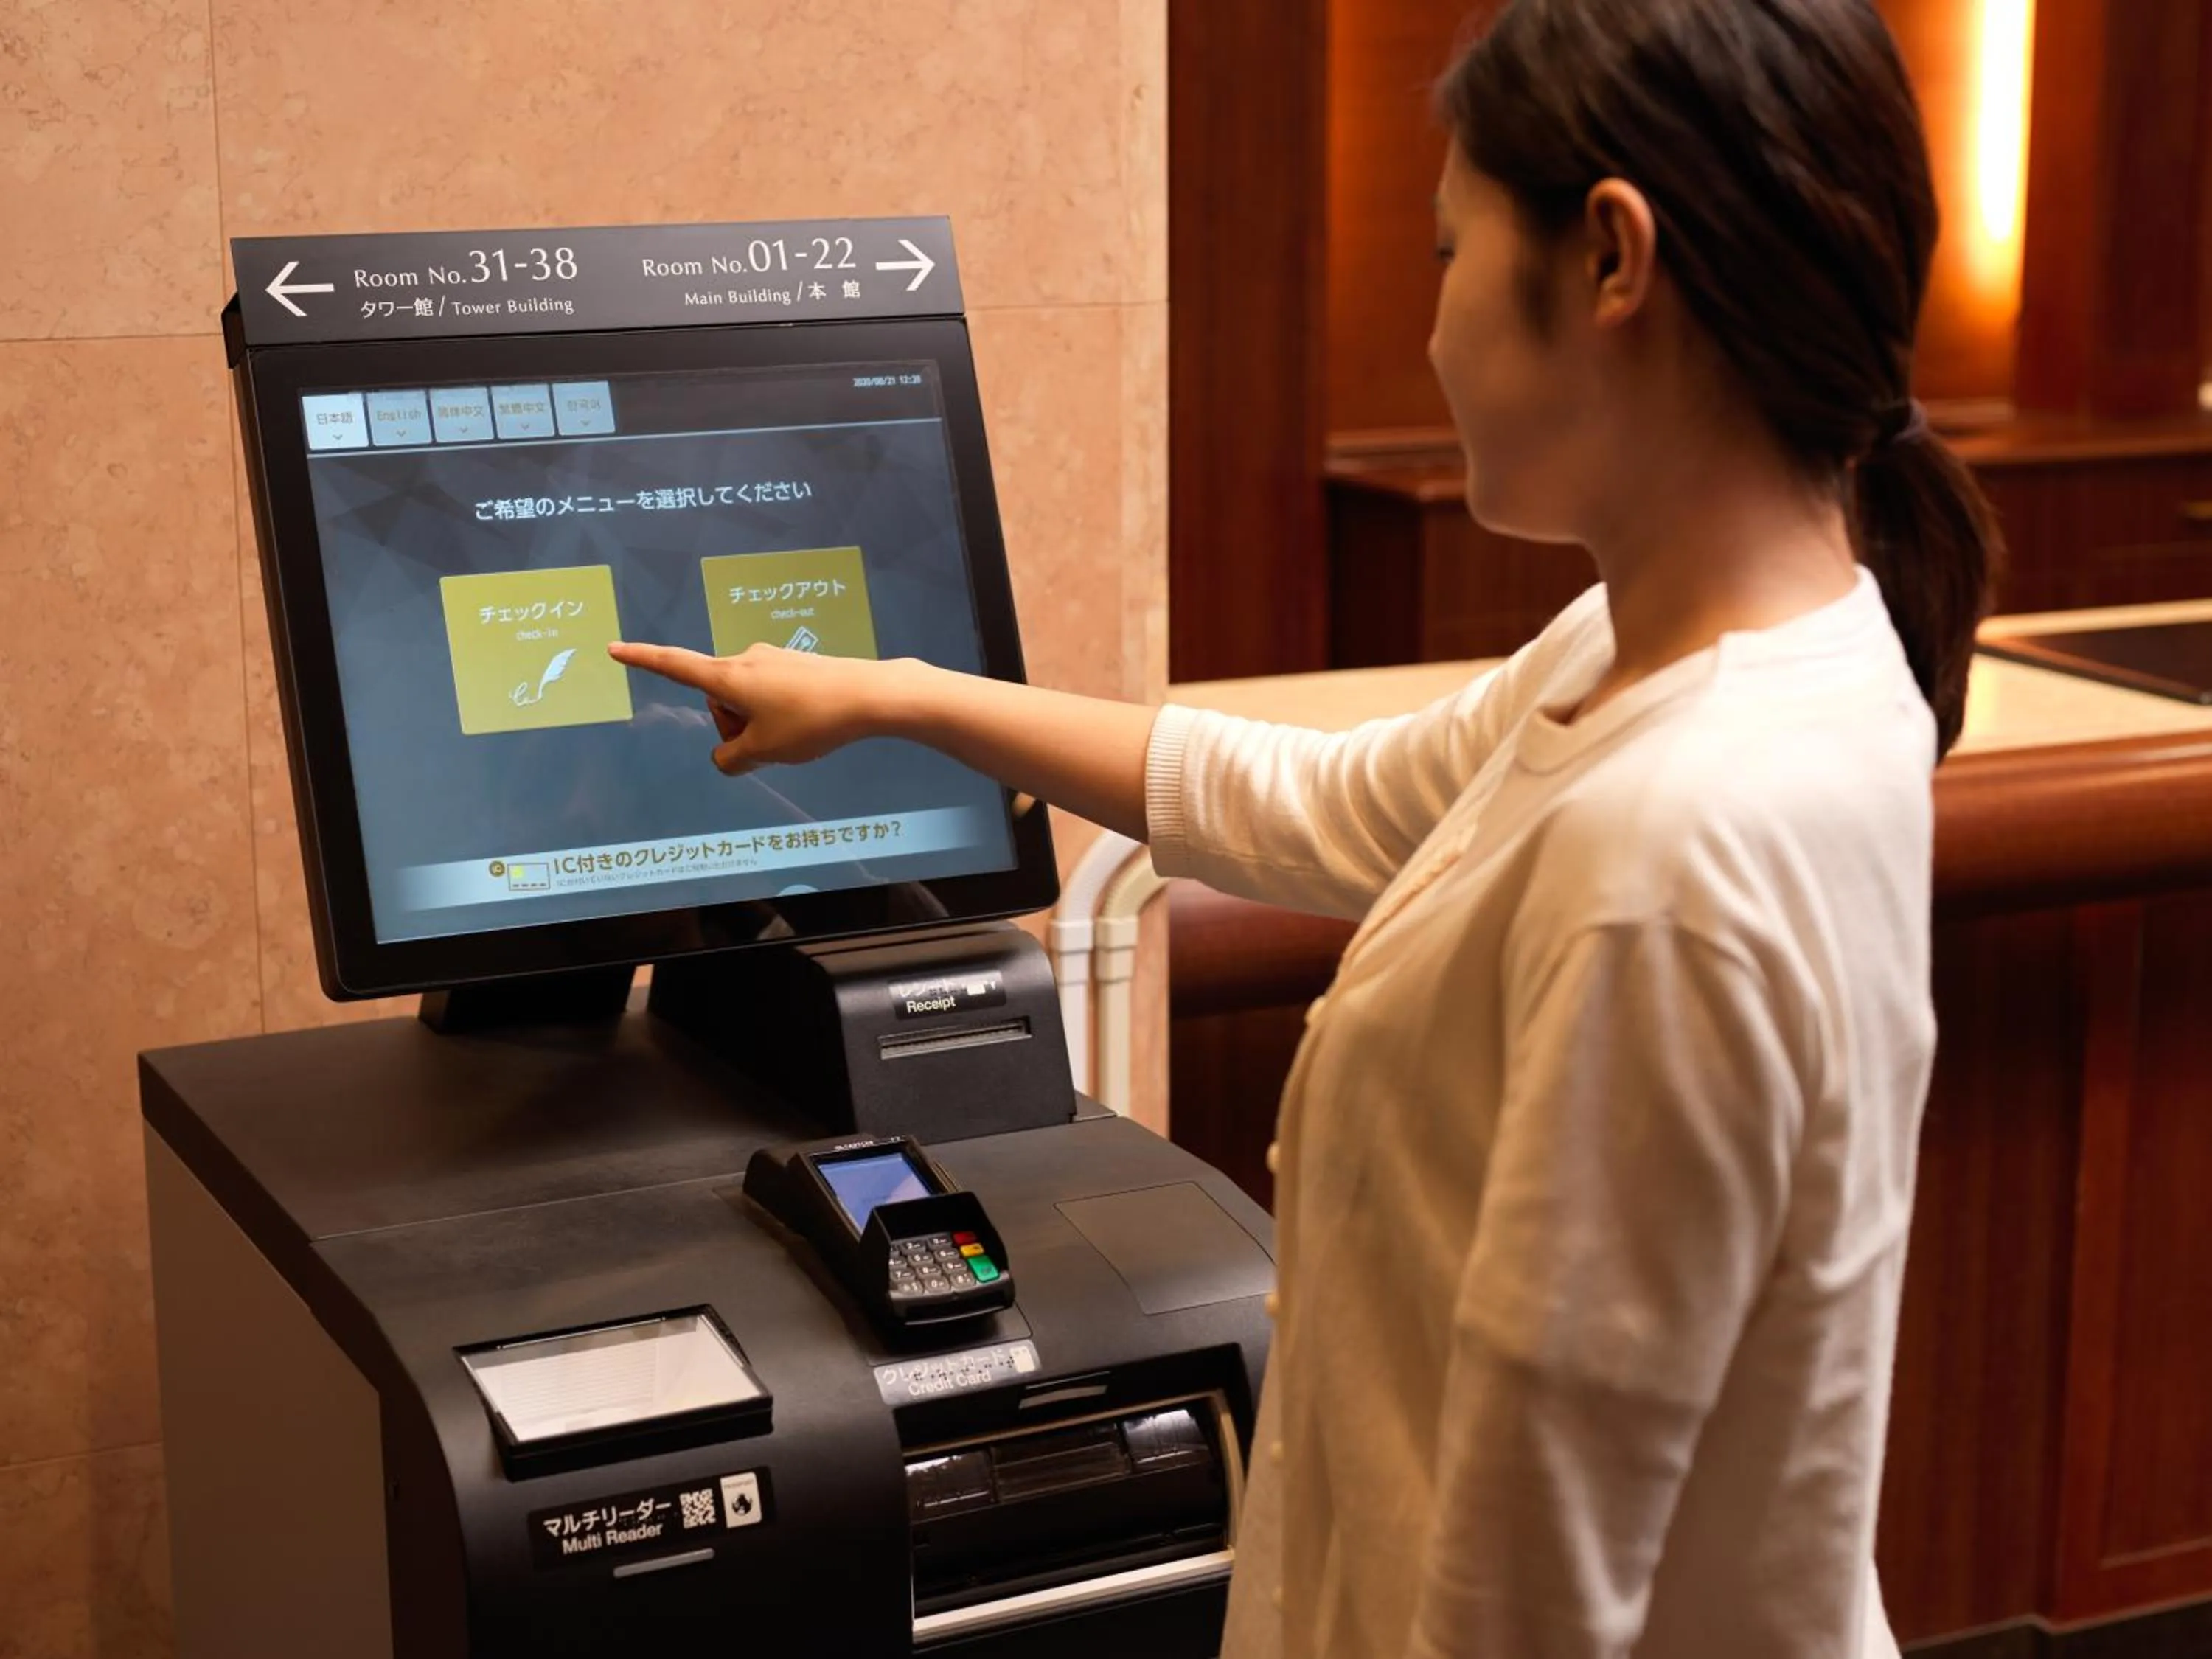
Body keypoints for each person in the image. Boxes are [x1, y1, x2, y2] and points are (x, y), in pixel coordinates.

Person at [611, 0, 1998, 1651]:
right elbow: (1326, 807)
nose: (1431, 334)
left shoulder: (1672, 853)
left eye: (1445, 251)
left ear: (1613, 260)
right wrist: (899, 694)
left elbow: (1528, 1599)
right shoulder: (1732, 657)